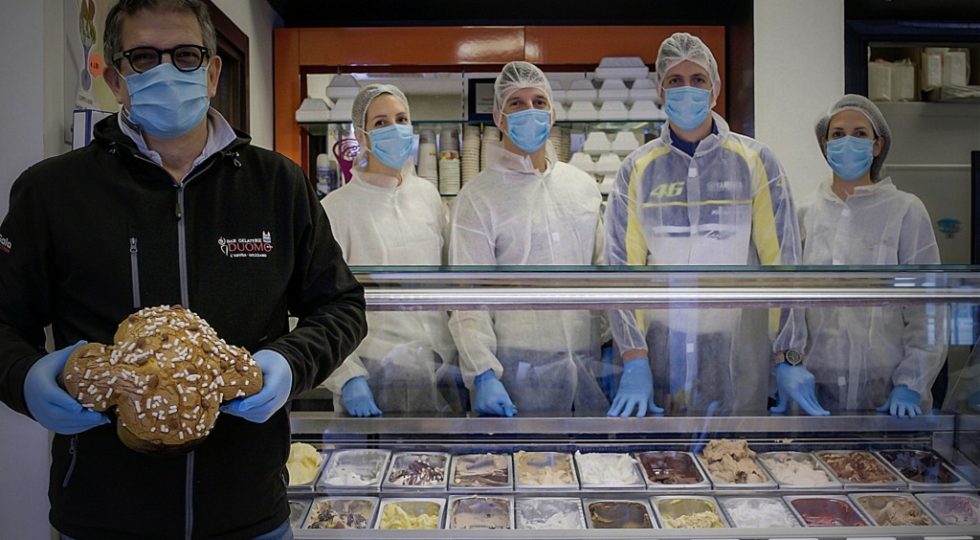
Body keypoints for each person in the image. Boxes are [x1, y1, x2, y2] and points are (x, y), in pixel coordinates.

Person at [0, 1, 367, 539]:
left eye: (186, 56)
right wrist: (24, 380)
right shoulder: (51, 192)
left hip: (249, 512)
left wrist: (290, 363)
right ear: (117, 77)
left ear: (213, 72)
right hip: (103, 514)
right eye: (144, 57)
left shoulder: (276, 186)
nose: (167, 71)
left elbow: (341, 305)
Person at [604, 32, 826, 417]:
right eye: (675, 80)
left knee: (735, 459)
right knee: (663, 462)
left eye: (698, 80)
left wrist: (788, 354)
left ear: (715, 90)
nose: (686, 89)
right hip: (660, 348)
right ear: (661, 90)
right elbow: (623, 268)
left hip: (737, 346)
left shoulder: (755, 161)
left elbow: (783, 261)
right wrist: (635, 356)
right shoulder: (637, 169)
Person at [448, 61, 608, 416]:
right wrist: (484, 373)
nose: (529, 111)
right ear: (499, 117)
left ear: (552, 113)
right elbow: (467, 299)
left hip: (588, 366)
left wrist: (612, 345)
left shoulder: (580, 186)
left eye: (538, 101)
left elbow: (602, 273)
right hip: (516, 372)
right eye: (516, 103)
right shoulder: (478, 197)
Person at [800, 94, 948, 417]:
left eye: (860, 133)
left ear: (877, 145)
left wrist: (911, 383)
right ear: (825, 144)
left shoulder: (906, 211)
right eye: (837, 134)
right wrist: (788, 364)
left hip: (890, 399)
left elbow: (929, 307)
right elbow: (788, 306)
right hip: (814, 397)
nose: (847, 141)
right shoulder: (805, 213)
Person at [320, 83, 462, 416]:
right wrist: (347, 377)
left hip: (439, 365)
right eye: (381, 123)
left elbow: (451, 284)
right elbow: (313, 306)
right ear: (362, 135)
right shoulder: (335, 209)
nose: (395, 129)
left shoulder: (427, 197)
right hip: (373, 372)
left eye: (402, 119)